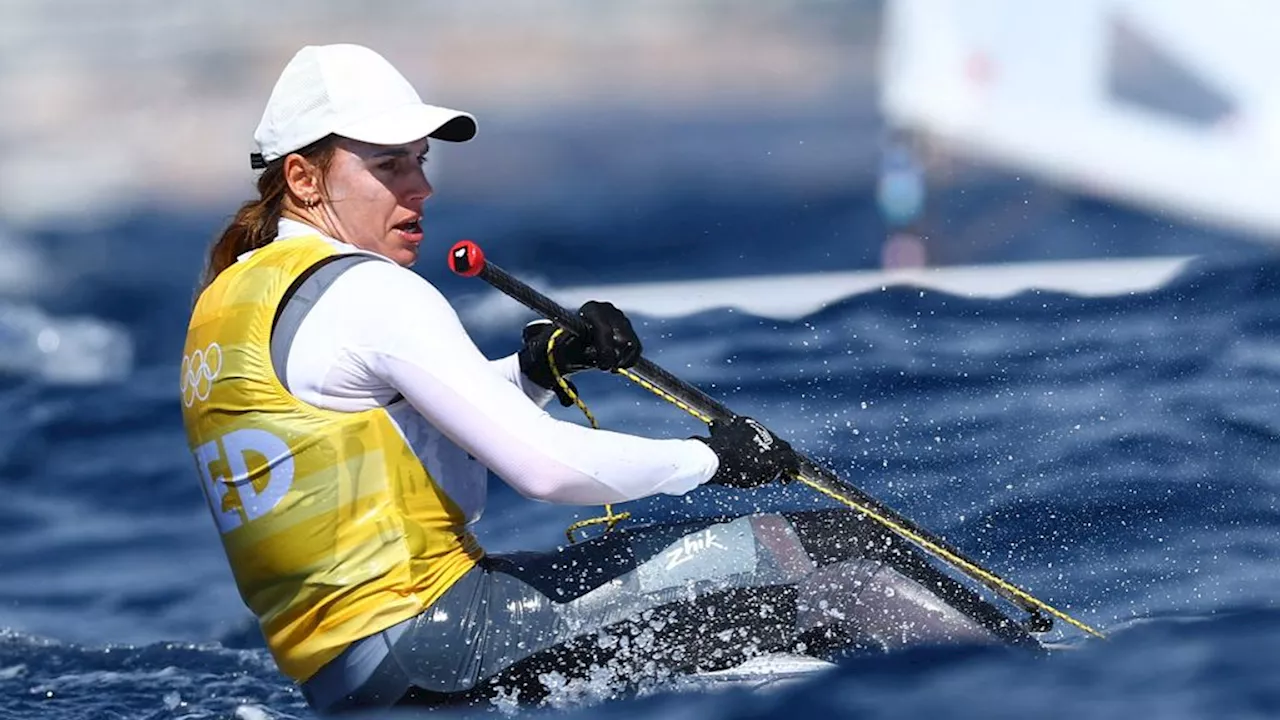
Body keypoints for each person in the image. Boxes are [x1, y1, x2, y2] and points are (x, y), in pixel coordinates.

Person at [180, 44, 1035, 716]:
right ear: (303, 176)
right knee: (835, 552)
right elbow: (546, 472)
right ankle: (1047, 695)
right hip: (442, 646)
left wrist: (532, 368)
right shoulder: (372, 290)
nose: (421, 188)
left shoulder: (228, 304)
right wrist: (711, 458)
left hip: (347, 682)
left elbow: (384, 441)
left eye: (420, 160)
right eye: (390, 166)